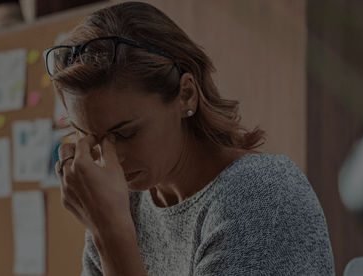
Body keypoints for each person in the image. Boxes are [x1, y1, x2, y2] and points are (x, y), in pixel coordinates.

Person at [47, 2, 334, 275]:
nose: (109, 159)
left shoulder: (262, 195)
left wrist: (110, 233)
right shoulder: (124, 205)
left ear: (186, 94)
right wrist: (106, 229)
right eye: (88, 136)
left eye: (125, 133)